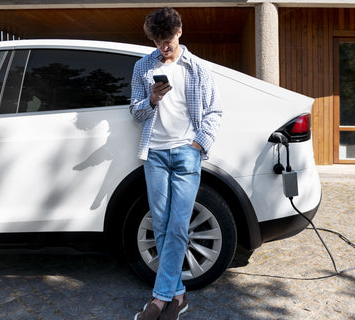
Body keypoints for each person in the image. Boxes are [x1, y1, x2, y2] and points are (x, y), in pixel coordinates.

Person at [129, 7, 222, 320]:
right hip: (154, 153)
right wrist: (152, 98)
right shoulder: (143, 67)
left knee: (179, 225)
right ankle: (178, 296)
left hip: (186, 152)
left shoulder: (197, 68)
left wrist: (198, 145)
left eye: (167, 39)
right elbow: (136, 112)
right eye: (157, 40)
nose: (163, 46)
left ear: (179, 32)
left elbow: (214, 112)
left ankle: (158, 300)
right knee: (162, 225)